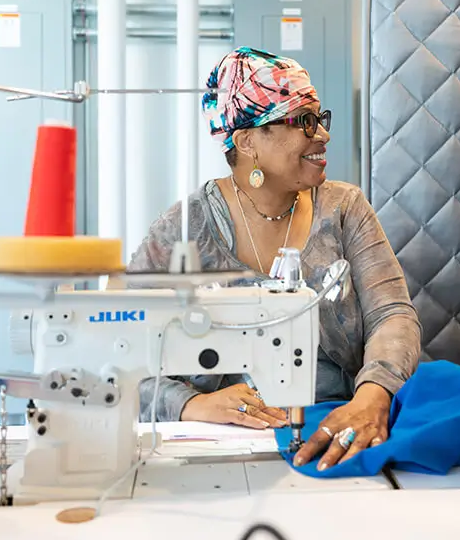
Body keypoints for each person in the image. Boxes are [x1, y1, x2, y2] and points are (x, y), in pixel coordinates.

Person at [126, 47, 421, 469]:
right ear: (247, 140)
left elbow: (392, 315)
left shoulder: (344, 209)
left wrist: (372, 396)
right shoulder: (184, 230)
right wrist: (190, 404)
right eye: (304, 121)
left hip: (340, 419)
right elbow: (121, 348)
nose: (323, 135)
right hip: (221, 441)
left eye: (320, 118)